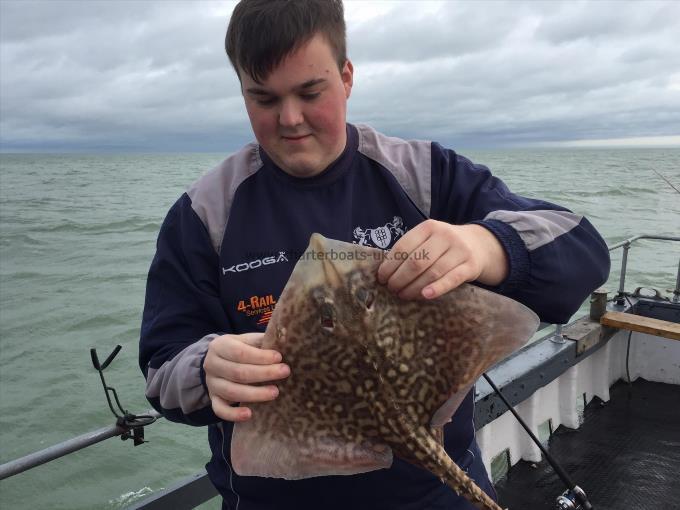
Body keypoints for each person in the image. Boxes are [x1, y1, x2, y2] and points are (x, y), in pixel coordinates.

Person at [139, 1, 610, 509]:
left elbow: (582, 247)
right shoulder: (205, 213)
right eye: (264, 98)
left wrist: (488, 245)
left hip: (431, 495)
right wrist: (205, 369)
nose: (290, 118)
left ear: (346, 77)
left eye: (310, 92)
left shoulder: (425, 175)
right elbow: (163, 369)